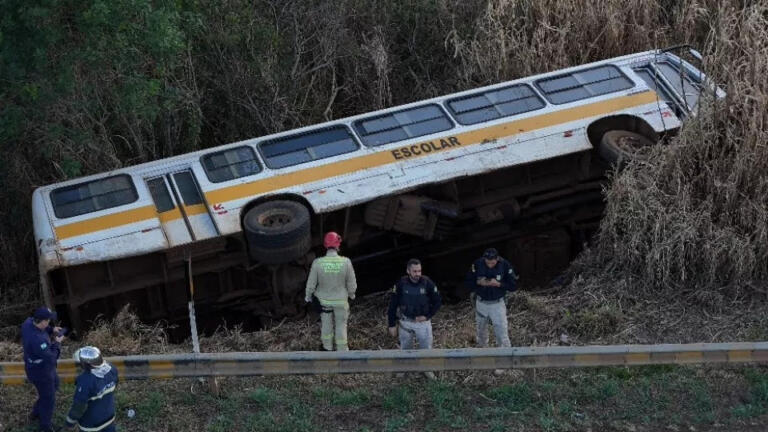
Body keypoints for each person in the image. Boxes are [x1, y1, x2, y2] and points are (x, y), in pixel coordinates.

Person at [465, 247, 517, 375]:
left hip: (497, 304)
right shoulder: (477, 264)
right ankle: (483, 357)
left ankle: (504, 362)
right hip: (481, 302)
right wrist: (479, 282)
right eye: (487, 262)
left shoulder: (505, 265)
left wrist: (498, 284)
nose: (490, 264)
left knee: (501, 332)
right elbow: (468, 282)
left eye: (492, 263)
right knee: (481, 330)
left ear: (497, 259)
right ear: (484, 259)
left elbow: (513, 285)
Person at [387, 258, 442, 379]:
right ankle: (404, 369)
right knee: (405, 348)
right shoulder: (401, 284)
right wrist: (391, 324)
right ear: (408, 271)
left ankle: (427, 370)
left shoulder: (427, 283)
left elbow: (438, 301)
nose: (417, 274)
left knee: (426, 347)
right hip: (406, 321)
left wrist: (427, 316)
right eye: (414, 271)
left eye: (419, 271)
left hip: (423, 323)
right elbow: (393, 304)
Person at [305, 231, 358, 351]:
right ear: (338, 244)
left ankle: (327, 348)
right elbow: (351, 282)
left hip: (324, 302)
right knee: (341, 325)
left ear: (325, 245)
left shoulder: (318, 263)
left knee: (326, 325)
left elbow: (311, 283)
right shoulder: (346, 262)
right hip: (341, 301)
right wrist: (352, 294)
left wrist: (308, 296)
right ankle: (342, 349)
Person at [21, 306, 65, 432]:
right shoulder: (38, 340)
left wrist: (52, 330)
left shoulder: (28, 323)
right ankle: (45, 426)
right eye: (49, 321)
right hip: (40, 372)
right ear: (43, 321)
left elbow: (44, 328)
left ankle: (36, 412)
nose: (50, 322)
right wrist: (57, 342)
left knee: (55, 385)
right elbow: (52, 358)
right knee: (49, 399)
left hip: (40, 367)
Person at [64, 346, 119, 432]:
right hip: (109, 418)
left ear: (86, 364)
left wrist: (70, 423)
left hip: (91, 425)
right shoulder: (112, 369)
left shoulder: (85, 381)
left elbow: (79, 407)